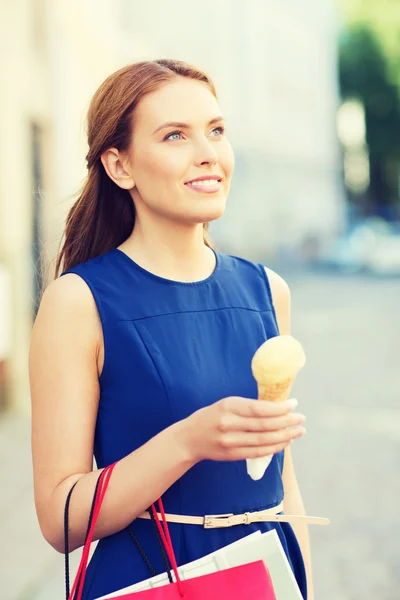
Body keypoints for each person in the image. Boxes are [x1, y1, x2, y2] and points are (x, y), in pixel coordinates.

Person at [29, 59, 313, 600]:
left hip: (263, 580)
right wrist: (187, 441)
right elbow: (59, 519)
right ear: (120, 167)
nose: (208, 152)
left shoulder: (268, 292)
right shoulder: (78, 301)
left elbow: (284, 482)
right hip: (147, 582)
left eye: (217, 130)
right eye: (175, 135)